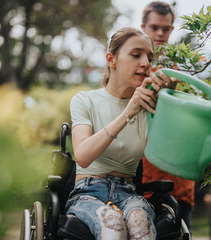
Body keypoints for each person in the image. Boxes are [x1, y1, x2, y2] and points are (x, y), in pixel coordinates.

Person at [65, 27, 175, 240]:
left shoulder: (150, 107)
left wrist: (171, 103)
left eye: (149, 57)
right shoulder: (84, 101)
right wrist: (128, 112)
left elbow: (172, 155)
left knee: (141, 226)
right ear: (111, 59)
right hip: (88, 194)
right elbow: (83, 156)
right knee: (113, 225)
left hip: (130, 194)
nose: (145, 62)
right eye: (136, 55)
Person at [140, 1, 195, 229]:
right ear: (143, 27)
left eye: (166, 28)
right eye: (154, 27)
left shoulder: (184, 68)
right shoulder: (136, 66)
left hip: (178, 173)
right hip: (144, 174)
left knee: (181, 231)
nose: (160, 33)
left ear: (172, 29)